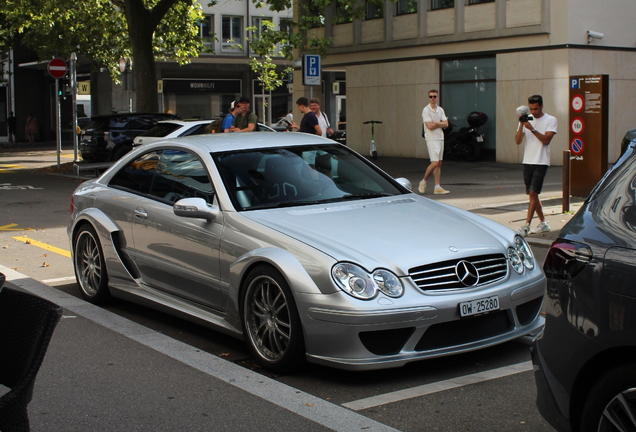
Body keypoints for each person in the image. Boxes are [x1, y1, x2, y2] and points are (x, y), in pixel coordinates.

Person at [514, 94, 557, 236]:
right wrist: (521, 125)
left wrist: (532, 129)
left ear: (542, 106)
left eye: (536, 109)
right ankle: (543, 223)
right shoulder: (526, 120)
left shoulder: (550, 120)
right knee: (533, 195)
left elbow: (546, 140)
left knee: (533, 193)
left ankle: (526, 225)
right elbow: (518, 141)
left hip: (541, 161)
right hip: (527, 160)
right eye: (531, 109)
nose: (533, 112)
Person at [419, 90, 450, 195]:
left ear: (437, 97)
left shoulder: (440, 109)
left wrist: (436, 122)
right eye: (431, 96)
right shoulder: (426, 110)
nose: (433, 98)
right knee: (435, 162)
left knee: (439, 163)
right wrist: (440, 123)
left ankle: (437, 186)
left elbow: (446, 124)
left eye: (434, 96)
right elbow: (430, 126)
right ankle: (423, 181)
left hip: (440, 137)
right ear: (428, 97)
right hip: (431, 138)